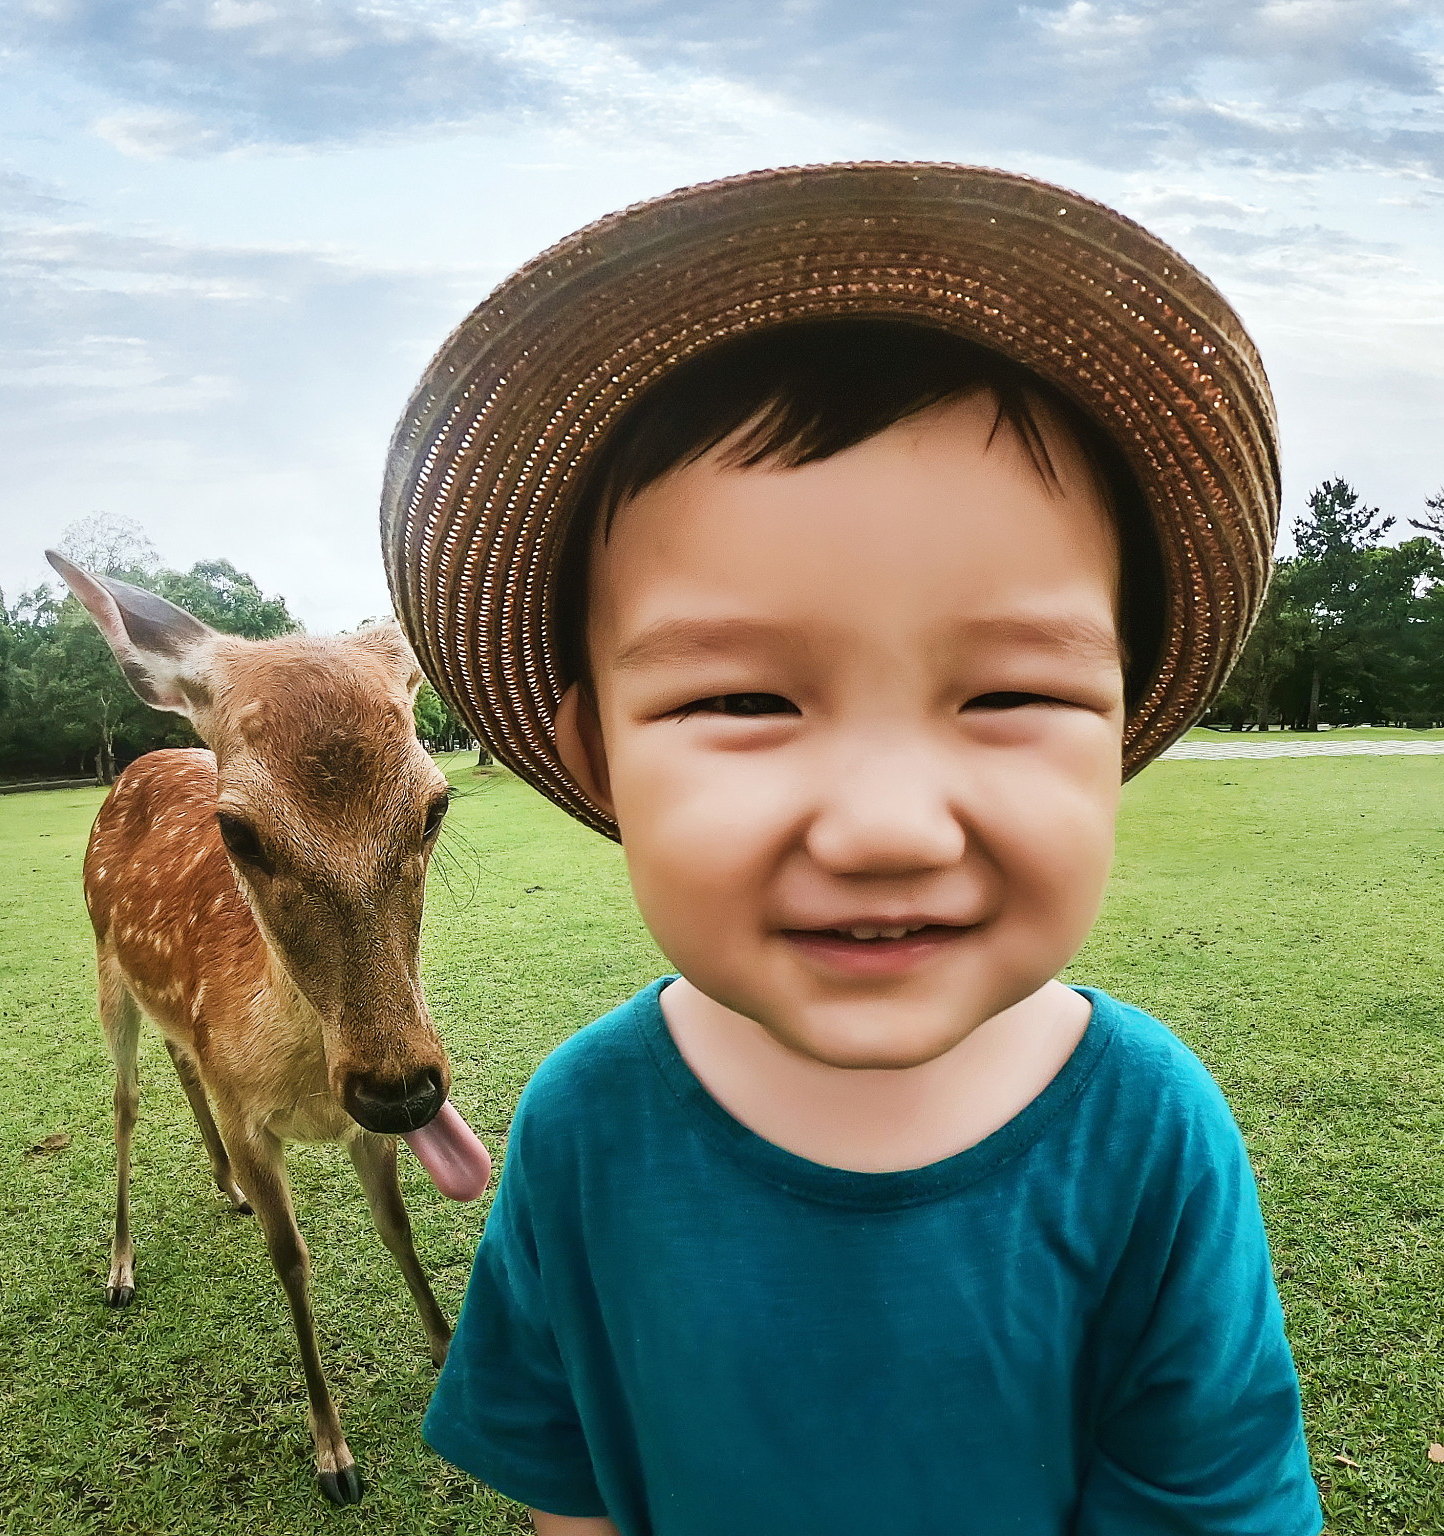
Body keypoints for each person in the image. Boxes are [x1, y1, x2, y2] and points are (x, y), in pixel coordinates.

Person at [381, 163, 1320, 1535]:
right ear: (591, 757)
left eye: (1010, 695)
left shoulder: (1148, 1138)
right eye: (742, 699)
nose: (887, 828)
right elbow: (572, 1496)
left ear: (1116, 729)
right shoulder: (583, 1131)